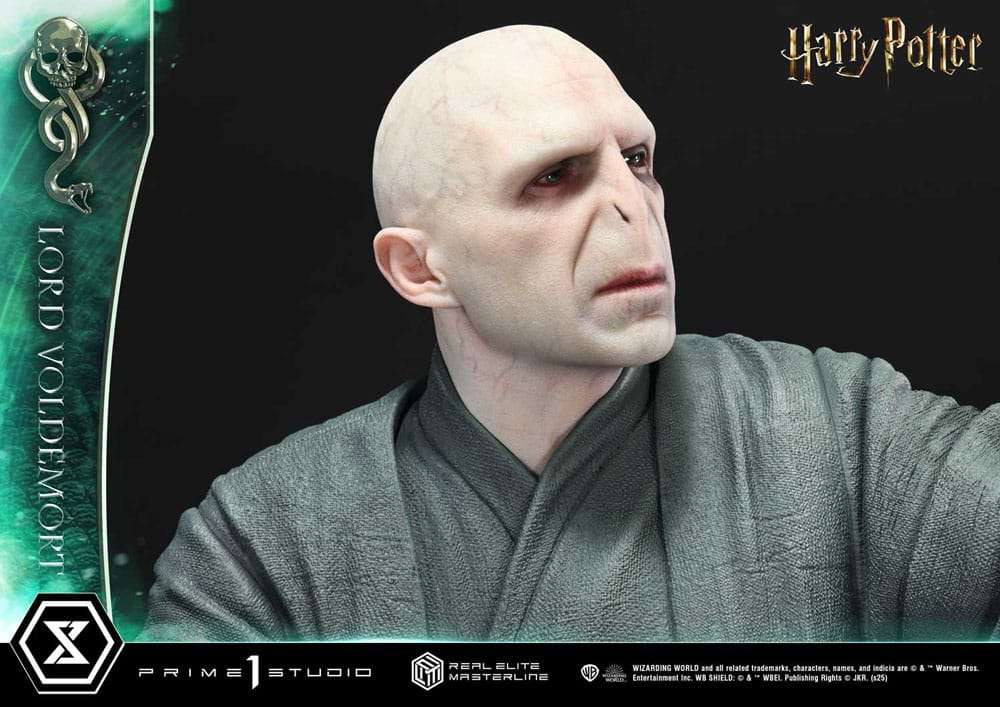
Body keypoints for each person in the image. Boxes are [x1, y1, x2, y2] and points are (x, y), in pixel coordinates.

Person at [136, 24, 1000, 642]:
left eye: (637, 160)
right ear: (419, 268)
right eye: (554, 176)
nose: (633, 208)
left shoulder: (842, 431)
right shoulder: (265, 542)